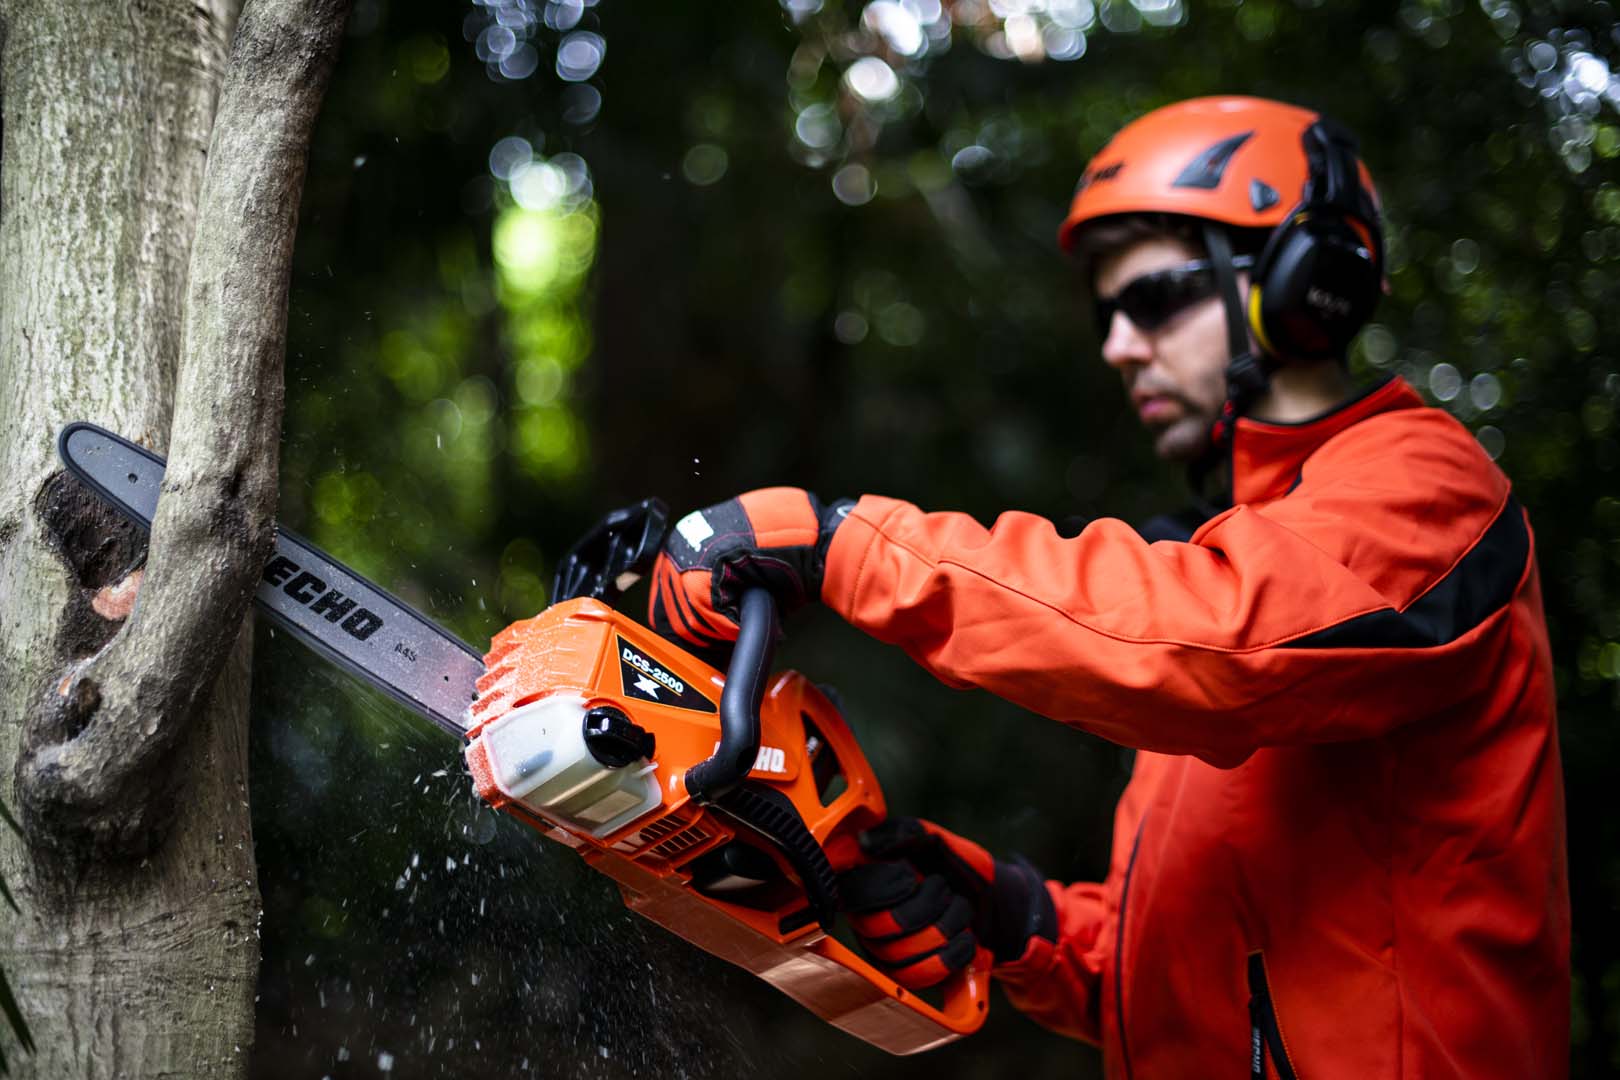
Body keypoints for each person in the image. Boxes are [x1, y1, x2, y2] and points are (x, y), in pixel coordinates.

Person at [635, 97, 1570, 1075]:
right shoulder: (1226, 554)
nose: (1121, 344)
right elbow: (1195, 967)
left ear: (1304, 286)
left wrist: (846, 547)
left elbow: (1223, 641)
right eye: (1107, 314)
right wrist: (1015, 919)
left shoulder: (1428, 487)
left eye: (1155, 299)